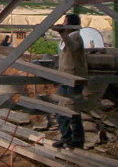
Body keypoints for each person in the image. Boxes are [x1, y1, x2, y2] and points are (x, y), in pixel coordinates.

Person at [52, 13, 87, 149]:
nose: (63, 23)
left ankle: (77, 140)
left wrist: (62, 33)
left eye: (65, 22)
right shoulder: (65, 38)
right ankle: (66, 137)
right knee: (60, 109)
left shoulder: (76, 36)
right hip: (64, 77)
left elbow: (72, 46)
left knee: (72, 110)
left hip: (74, 78)